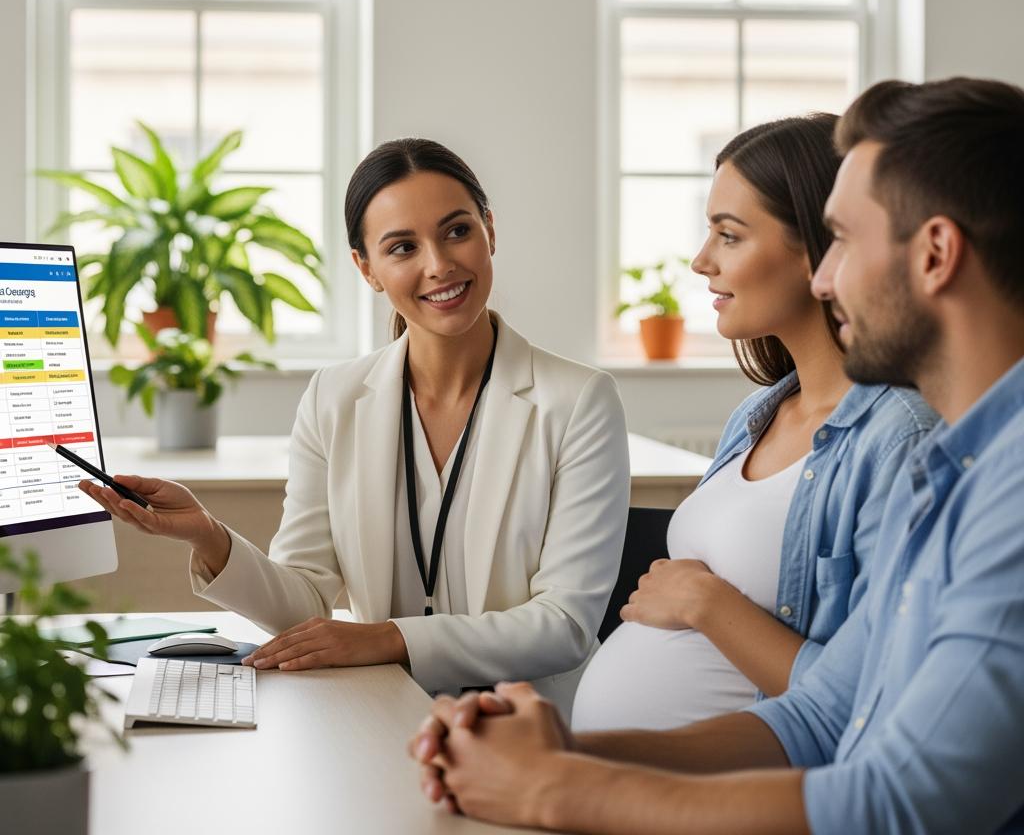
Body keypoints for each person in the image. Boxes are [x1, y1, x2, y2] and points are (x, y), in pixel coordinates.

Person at [410, 77, 1024, 834]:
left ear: (934, 255)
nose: (825, 279)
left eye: (844, 243)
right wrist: (561, 753)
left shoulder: (998, 485)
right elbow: (822, 716)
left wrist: (556, 791)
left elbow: (910, 801)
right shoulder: (952, 474)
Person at [80, 138, 630, 716]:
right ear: (366, 268)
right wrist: (207, 536)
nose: (439, 264)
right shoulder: (334, 398)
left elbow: (565, 624)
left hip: (533, 727)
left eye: (457, 231)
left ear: (490, 229)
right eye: (402, 247)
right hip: (380, 716)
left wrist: (386, 638)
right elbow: (306, 602)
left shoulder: (579, 401)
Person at [572, 115, 936, 734]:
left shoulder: (901, 437)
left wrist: (705, 603)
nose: (700, 261)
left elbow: (877, 704)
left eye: (730, 236)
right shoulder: (758, 414)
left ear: (822, 249)